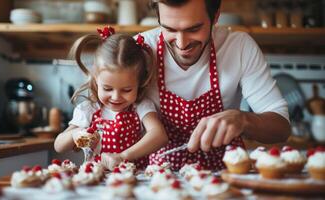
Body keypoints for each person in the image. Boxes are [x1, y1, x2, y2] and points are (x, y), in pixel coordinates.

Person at [140, 0, 291, 170]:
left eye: (194, 29)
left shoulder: (238, 47)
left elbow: (282, 128)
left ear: (216, 15)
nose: (182, 44)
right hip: (159, 179)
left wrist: (243, 120)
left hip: (226, 177)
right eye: (169, 29)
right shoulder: (141, 50)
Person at [54, 27, 168, 170]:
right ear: (96, 79)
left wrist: (123, 156)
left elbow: (159, 136)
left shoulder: (141, 106)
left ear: (139, 83)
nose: (116, 97)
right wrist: (76, 134)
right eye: (107, 88)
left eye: (127, 90)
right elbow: (58, 145)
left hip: (133, 179)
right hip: (95, 180)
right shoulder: (89, 109)